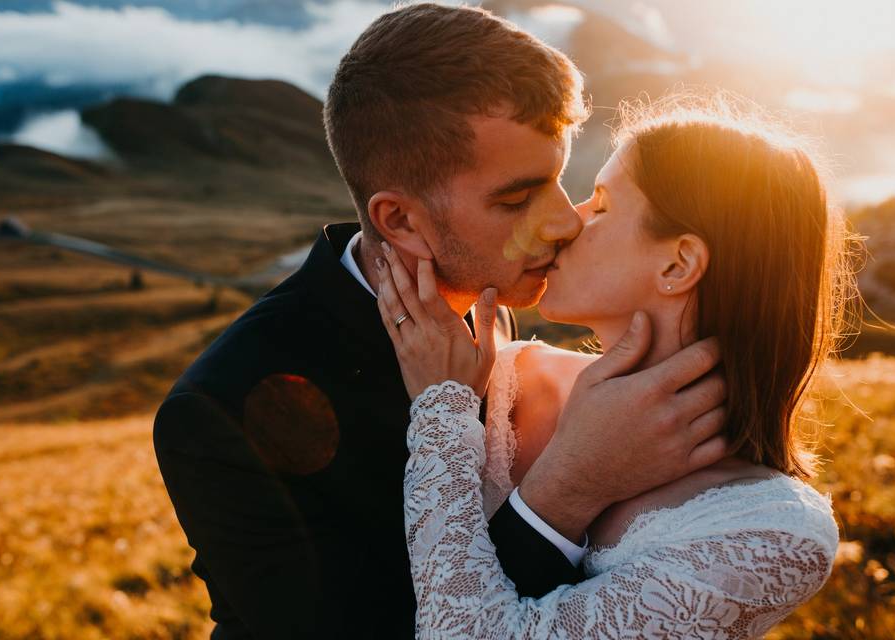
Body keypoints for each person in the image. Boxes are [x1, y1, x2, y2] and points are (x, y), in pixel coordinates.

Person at [153, 5, 727, 638]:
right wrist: (567, 490)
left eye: (559, 180)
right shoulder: (218, 410)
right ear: (399, 220)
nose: (565, 222)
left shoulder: (485, 307)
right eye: (516, 200)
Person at [376, 94, 847, 638]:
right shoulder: (499, 377)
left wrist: (442, 413)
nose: (563, 223)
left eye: (599, 205)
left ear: (679, 263)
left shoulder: (769, 530)